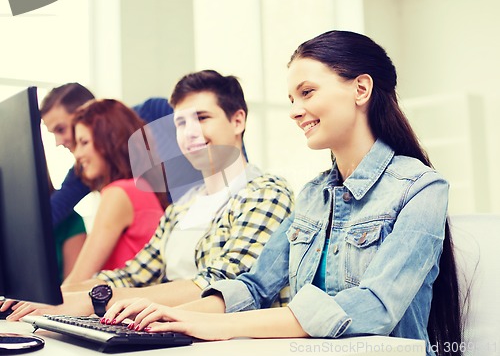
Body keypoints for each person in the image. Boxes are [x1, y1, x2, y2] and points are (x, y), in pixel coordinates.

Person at [97, 31, 463, 356]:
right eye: (291, 98)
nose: (293, 111)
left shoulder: (421, 187)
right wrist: (182, 314)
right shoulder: (313, 195)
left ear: (361, 89)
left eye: (307, 93)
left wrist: (217, 326)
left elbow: (375, 305)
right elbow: (254, 286)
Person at [4, 70, 294, 319]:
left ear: (237, 121)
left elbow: (220, 283)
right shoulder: (182, 207)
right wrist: (56, 296)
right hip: (174, 333)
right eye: (180, 123)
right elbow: (134, 274)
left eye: (202, 118)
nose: (190, 132)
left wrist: (94, 301)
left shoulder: (266, 193)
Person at [40, 83, 174, 227]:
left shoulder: (155, 112)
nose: (58, 142)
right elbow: (52, 211)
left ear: (86, 115)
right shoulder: (88, 167)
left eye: (61, 129)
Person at [62, 99, 165, 284]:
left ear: (109, 141)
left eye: (84, 142)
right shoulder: (142, 188)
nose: (77, 154)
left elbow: (77, 281)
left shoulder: (119, 193)